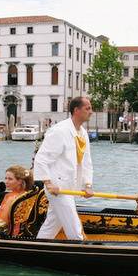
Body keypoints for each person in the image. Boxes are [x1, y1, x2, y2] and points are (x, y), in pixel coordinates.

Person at [33, 96, 94, 240]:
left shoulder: (83, 133)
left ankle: (39, 247)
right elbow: (41, 158)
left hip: (69, 187)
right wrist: (48, 184)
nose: (91, 112)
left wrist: (88, 185)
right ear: (76, 110)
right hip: (57, 188)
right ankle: (83, 254)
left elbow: (86, 162)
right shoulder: (59, 131)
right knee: (74, 228)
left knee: (52, 224)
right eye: (88, 108)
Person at [0, 165, 34, 236]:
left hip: (5, 233)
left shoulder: (11, 197)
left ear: (20, 181)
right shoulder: (26, 195)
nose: (6, 182)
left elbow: (2, 221)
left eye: (10, 179)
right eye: (6, 178)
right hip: (20, 232)